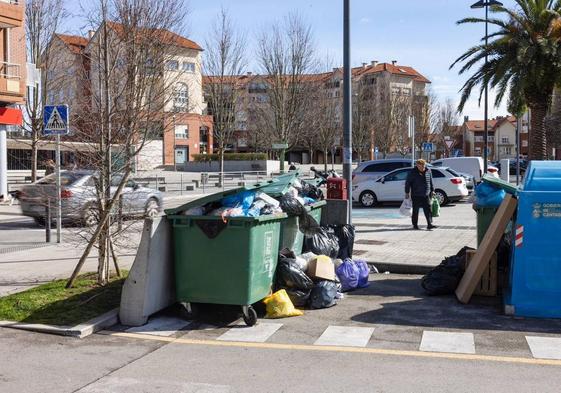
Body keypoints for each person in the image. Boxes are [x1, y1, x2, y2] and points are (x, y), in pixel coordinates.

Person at [405, 159, 437, 230]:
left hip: (426, 194)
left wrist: (433, 190)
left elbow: (431, 181)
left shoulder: (428, 171)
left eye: (423, 166)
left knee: (428, 210)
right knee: (415, 211)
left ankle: (429, 224)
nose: (422, 168)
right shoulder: (413, 172)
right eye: (420, 166)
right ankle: (415, 225)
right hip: (416, 194)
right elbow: (408, 183)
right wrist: (407, 192)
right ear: (417, 166)